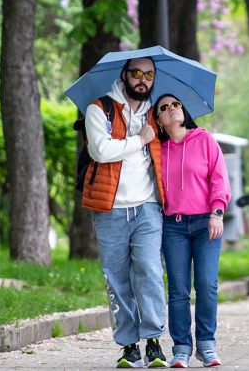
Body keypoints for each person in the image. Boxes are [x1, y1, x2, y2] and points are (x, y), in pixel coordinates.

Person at [82, 56, 169, 368]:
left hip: (148, 207)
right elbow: (101, 151)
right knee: (117, 279)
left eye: (149, 74)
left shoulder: (156, 112)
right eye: (137, 73)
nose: (143, 79)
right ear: (124, 75)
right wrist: (139, 139)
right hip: (111, 210)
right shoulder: (100, 109)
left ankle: (155, 342)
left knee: (149, 272)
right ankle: (129, 347)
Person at [156, 94, 229, 368]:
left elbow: (219, 179)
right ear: (160, 121)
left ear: (183, 110)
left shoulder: (205, 140)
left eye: (175, 104)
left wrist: (217, 213)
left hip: (205, 222)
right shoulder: (156, 150)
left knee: (207, 285)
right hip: (172, 226)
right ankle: (182, 348)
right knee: (178, 290)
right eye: (164, 108)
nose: (172, 110)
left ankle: (207, 345)